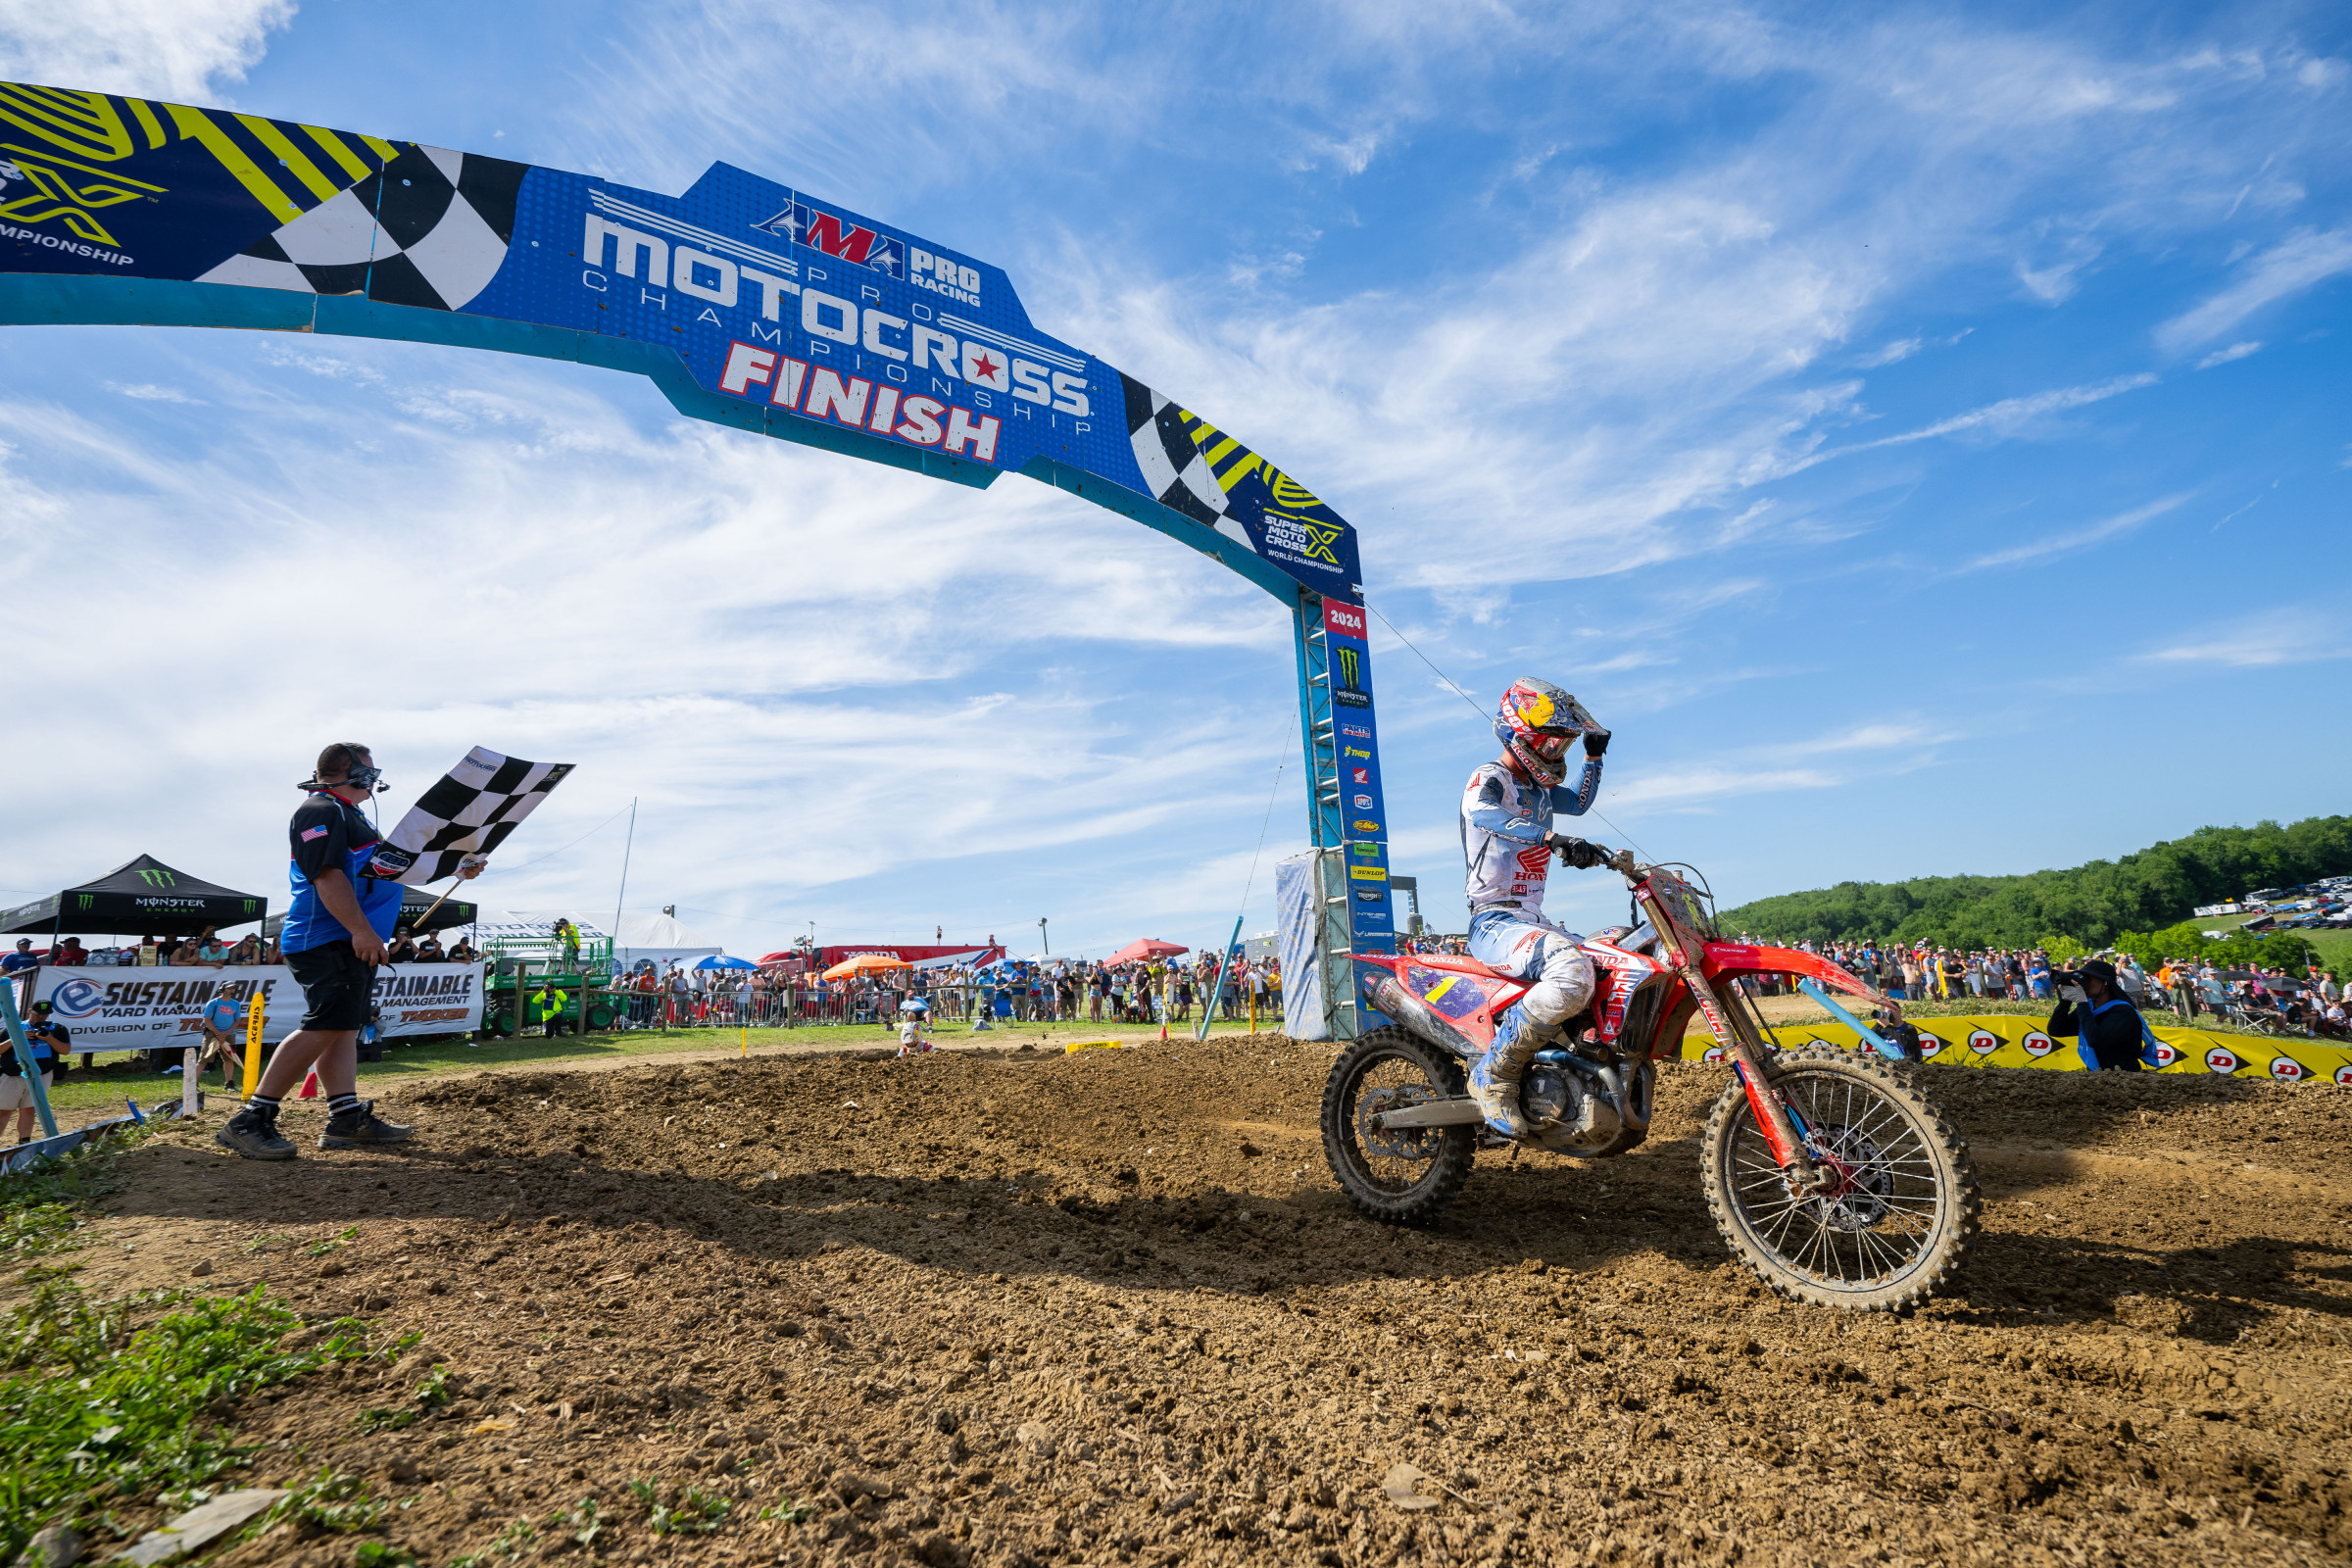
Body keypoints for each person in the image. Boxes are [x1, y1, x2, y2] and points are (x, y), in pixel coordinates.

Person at [218, 742, 480, 1161]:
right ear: (352, 773)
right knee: (326, 1023)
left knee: (341, 1027)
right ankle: (251, 1119)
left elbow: (387, 871)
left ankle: (345, 1118)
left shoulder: (348, 814)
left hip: (346, 938)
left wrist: (456, 868)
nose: (374, 780)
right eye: (370, 772)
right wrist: (360, 930)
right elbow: (326, 876)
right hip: (326, 937)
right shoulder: (320, 811)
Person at [1459, 677, 1610, 1136]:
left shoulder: (1541, 792)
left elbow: (1579, 803)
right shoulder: (1491, 777)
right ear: (1518, 734)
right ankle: (1493, 1074)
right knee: (1571, 973)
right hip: (1493, 918)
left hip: (1532, 917)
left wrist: (1593, 758)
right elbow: (1482, 813)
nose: (1555, 751)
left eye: (1562, 744)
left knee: (1615, 957)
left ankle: (1582, 1072)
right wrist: (1549, 837)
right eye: (1549, 742)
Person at [2047, 958, 2149, 1072]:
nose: (2084, 982)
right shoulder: (2091, 1007)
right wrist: (2065, 1000)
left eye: (2088, 978)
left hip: (2123, 1076)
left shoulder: (2123, 1011)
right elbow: (2056, 1030)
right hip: (2097, 1077)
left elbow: (2095, 1040)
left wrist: (2081, 1002)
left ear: (2105, 983)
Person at [3, 1000, 71, 1143]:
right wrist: (17, 1038)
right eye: (37, 1014)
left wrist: (49, 1038)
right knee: (4, 1111)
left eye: (45, 1014)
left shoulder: (57, 1029)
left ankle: (24, 1143)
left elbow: (65, 1050)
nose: (41, 1017)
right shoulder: (14, 1027)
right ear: (29, 1011)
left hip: (42, 1074)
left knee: (29, 1109)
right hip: (12, 1075)